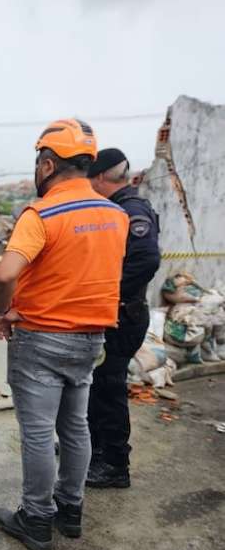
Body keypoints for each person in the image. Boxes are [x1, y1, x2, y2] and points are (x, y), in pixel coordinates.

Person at [0, 119, 129, 550]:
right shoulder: (116, 214)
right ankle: (71, 510)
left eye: (37, 163)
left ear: (48, 164)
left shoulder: (42, 213)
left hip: (41, 338)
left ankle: (36, 518)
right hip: (91, 339)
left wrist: (1, 313)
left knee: (36, 433)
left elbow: (4, 273)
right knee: (75, 427)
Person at [86, 148, 161, 488]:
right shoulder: (116, 208)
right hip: (113, 314)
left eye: (90, 179)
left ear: (101, 177)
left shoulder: (132, 211)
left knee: (108, 390)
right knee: (95, 387)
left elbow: (145, 262)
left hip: (122, 316)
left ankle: (115, 464)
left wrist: (107, 292)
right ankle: (92, 450)